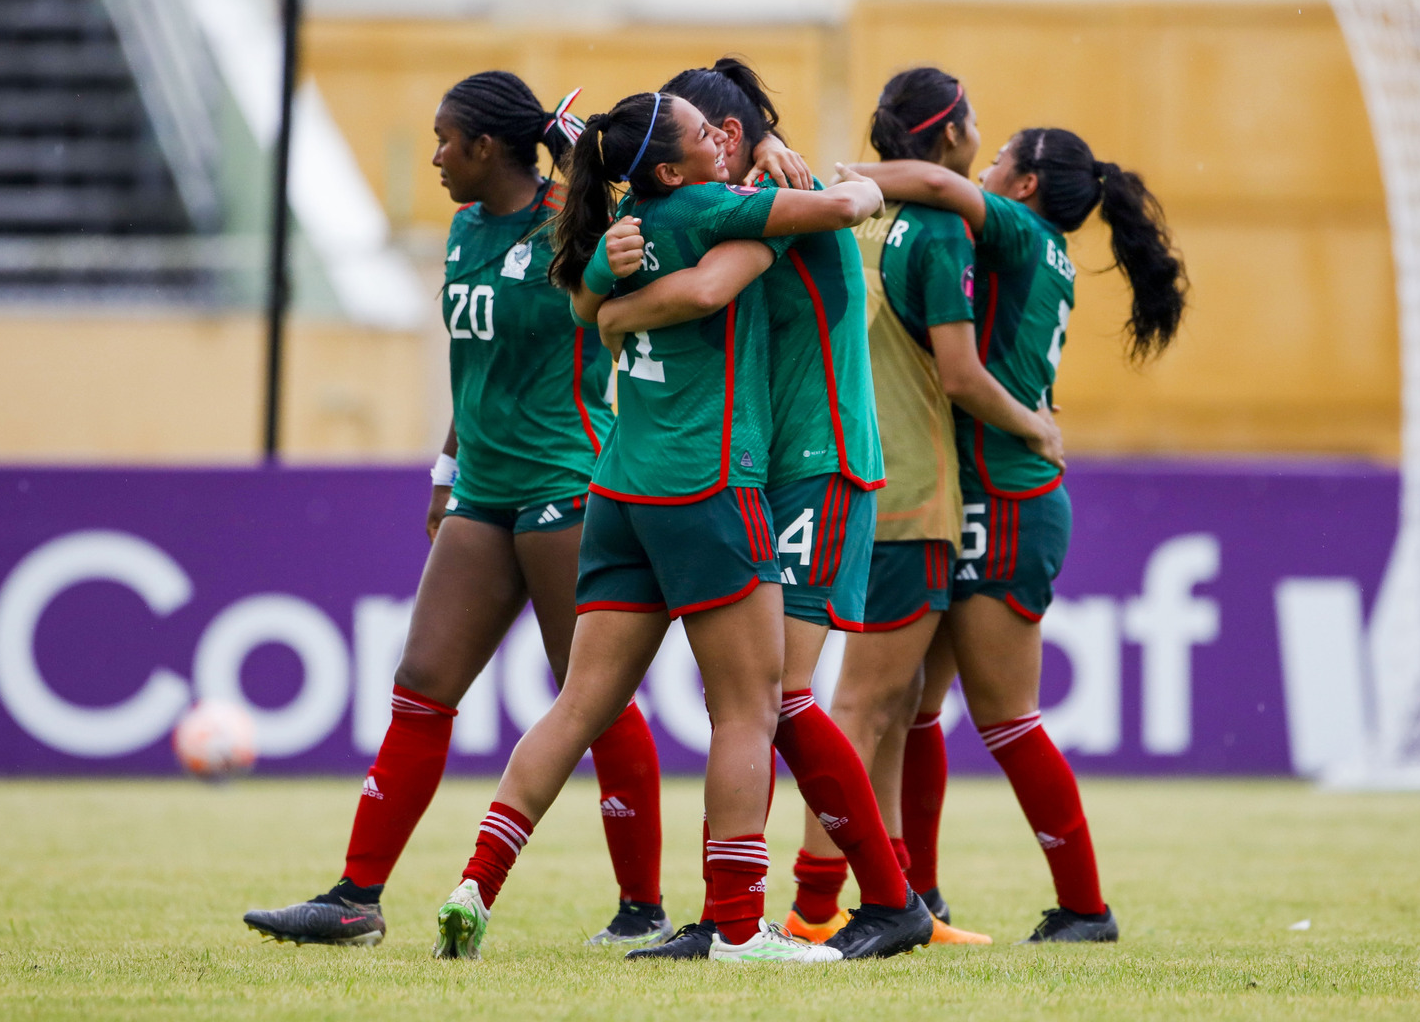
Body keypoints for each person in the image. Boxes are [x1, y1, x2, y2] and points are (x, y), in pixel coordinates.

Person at [431, 90, 885, 964]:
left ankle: (474, 883)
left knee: (579, 705)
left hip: (619, 490)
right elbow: (829, 214)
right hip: (707, 487)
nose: (720, 135)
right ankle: (742, 926)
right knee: (748, 708)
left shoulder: (616, 225)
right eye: (698, 129)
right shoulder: (713, 208)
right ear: (673, 165)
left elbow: (584, 311)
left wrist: (611, 301)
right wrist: (835, 189)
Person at [242, 72, 670, 950]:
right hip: (483, 489)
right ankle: (355, 899)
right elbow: (473, 368)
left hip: (570, 484)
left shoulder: (574, 223)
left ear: (486, 147)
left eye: (445, 139)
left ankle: (642, 911)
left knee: (592, 699)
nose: (434, 156)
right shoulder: (465, 228)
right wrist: (446, 464)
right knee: (422, 684)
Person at [576, 58, 933, 962]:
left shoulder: (782, 192)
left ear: (727, 139)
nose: (693, 148)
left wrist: (616, 317)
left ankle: (854, 905)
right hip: (767, 471)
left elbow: (697, 293)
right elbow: (607, 275)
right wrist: (600, 286)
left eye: (701, 130)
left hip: (820, 465)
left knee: (776, 699)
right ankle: (807, 908)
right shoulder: (727, 200)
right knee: (767, 700)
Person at [853, 118, 1189, 943]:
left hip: (1004, 499)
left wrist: (848, 179)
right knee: (913, 706)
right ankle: (918, 896)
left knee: (1005, 715)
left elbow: (932, 185)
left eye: (1000, 155)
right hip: (976, 490)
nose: (985, 161)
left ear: (1028, 182)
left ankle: (1085, 906)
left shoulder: (1014, 228)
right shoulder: (1048, 253)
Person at [797, 67, 1063, 945]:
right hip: (911, 489)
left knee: (897, 702)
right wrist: (1038, 428)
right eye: (975, 121)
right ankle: (814, 905)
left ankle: (901, 894)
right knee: (862, 708)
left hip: (829, 467)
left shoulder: (841, 213)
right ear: (947, 136)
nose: (983, 140)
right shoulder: (941, 225)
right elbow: (957, 374)